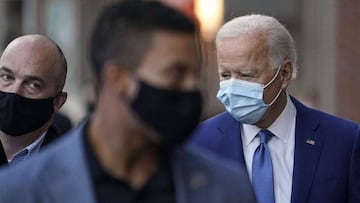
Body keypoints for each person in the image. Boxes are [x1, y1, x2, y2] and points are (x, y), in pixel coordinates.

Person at [0, 2, 256, 203]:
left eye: (195, 76)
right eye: (176, 74)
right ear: (118, 79)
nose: (192, 90)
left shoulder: (226, 190)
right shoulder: (22, 189)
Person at [190, 14, 360, 203]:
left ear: (284, 73)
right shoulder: (198, 142)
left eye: (246, 75)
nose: (233, 86)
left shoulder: (345, 141)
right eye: (225, 74)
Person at [0, 34, 68, 165]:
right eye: (7, 77)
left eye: (33, 85)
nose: (14, 91)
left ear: (58, 101)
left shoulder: (73, 167)